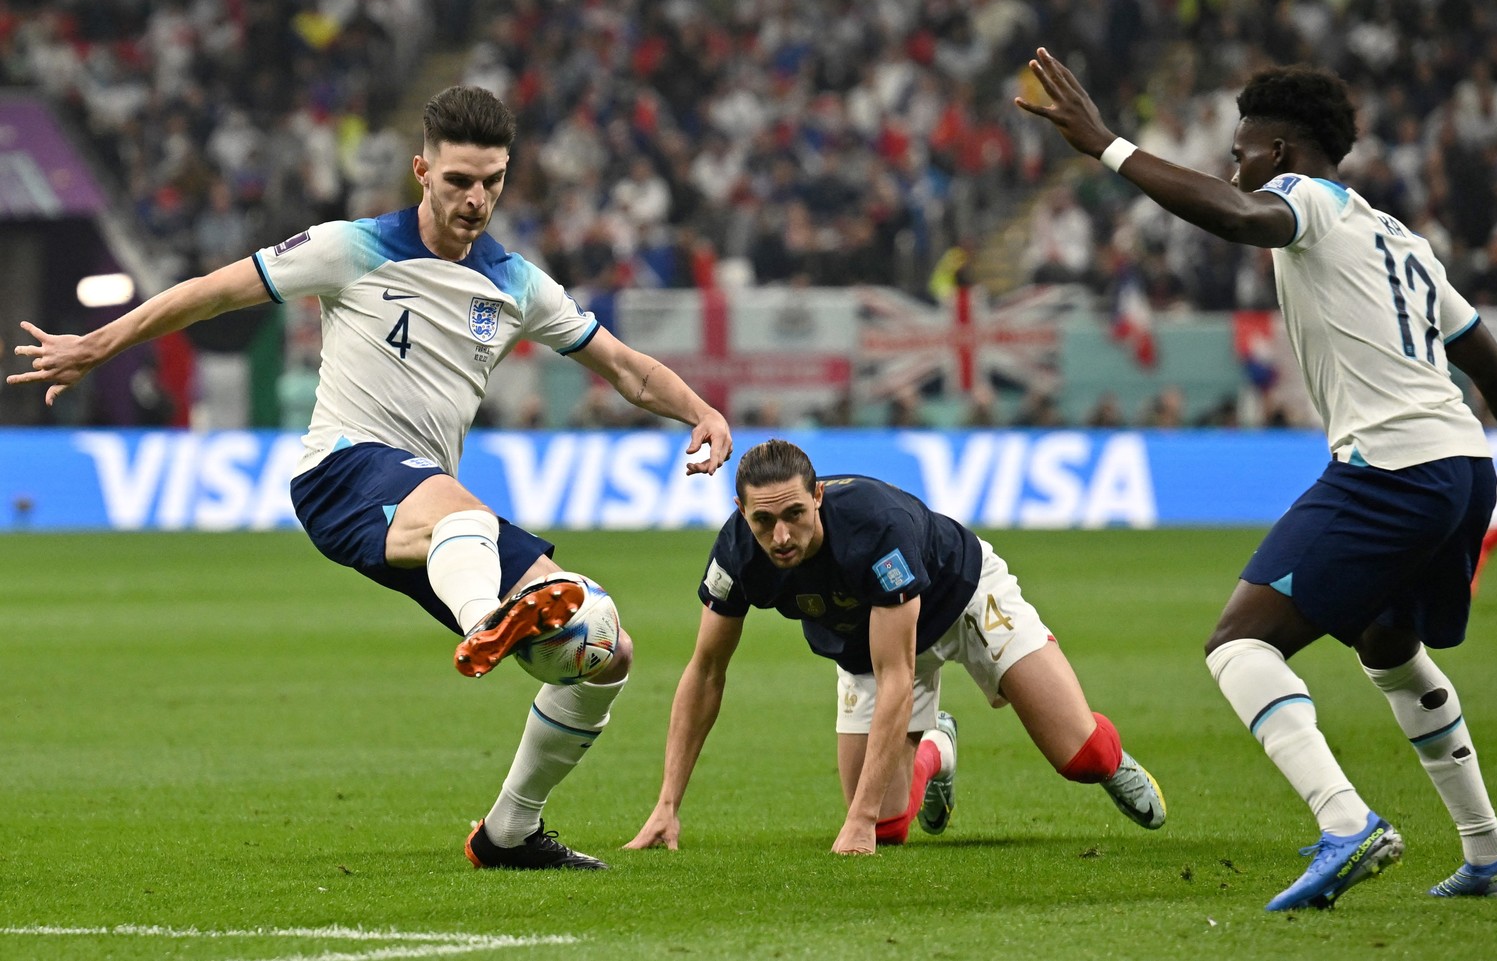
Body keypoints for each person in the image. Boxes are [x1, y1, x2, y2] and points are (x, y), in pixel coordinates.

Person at [7, 85, 734, 871]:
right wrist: (98, 346)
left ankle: (510, 830)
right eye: (459, 180)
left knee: (603, 646)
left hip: (431, 513)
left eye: (491, 180)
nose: (476, 198)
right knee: (466, 517)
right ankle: (489, 613)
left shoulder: (516, 283)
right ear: (422, 171)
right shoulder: (351, 246)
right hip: (342, 472)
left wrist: (702, 410)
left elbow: (623, 367)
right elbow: (206, 295)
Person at [1017, 52, 1497, 909]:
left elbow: (1234, 217)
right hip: (1461, 467)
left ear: (1278, 150)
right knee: (1385, 644)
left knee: (1238, 642)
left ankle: (1345, 822)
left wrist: (1107, 147)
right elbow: (1494, 363)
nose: (1235, 167)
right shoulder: (1403, 240)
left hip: (1391, 464)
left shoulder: (1305, 201)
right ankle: (1488, 853)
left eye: (1241, 152)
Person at [625, 438, 1166, 856]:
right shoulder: (737, 555)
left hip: (960, 599)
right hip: (865, 644)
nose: (782, 536)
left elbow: (898, 676)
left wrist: (853, 823)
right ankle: (937, 749)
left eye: (794, 514)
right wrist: (667, 804)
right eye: (763, 521)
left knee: (1080, 757)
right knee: (889, 826)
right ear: (742, 512)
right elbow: (706, 673)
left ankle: (1109, 759)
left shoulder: (876, 528)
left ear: (818, 496)